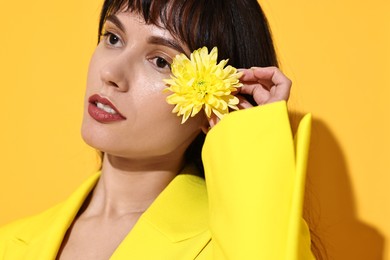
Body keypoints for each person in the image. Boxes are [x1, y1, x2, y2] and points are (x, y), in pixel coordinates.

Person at [0, 0, 317, 259]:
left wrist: (251, 135)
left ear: (218, 98)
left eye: (161, 61)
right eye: (113, 38)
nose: (111, 72)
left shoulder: (237, 245)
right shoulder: (11, 243)